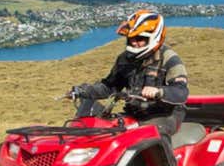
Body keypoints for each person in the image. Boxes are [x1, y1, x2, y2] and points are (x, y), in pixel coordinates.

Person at [70, 10, 189, 138]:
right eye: (131, 38)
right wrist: (84, 91)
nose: (134, 42)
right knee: (105, 134)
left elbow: (181, 92)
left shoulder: (169, 58)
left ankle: (168, 158)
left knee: (152, 136)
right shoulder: (125, 59)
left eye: (140, 39)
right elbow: (110, 86)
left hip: (165, 114)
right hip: (135, 114)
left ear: (155, 37)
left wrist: (159, 91)